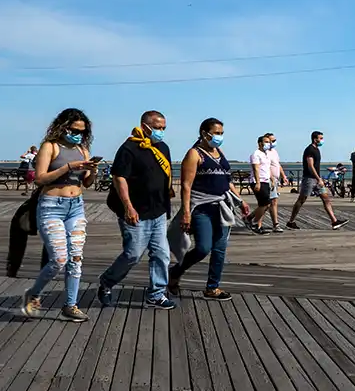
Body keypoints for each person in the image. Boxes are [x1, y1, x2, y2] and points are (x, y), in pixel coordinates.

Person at [21, 110, 98, 322]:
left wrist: (92, 170)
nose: (78, 135)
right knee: (59, 259)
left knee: (75, 258)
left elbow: (87, 183)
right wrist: (68, 167)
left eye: (83, 132)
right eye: (74, 130)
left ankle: (70, 305)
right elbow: (40, 178)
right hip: (52, 206)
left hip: (76, 206)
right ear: (63, 127)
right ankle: (33, 293)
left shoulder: (83, 149)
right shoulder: (50, 146)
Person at [96, 110, 177, 310]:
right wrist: (128, 207)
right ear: (145, 126)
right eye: (157, 128)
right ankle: (107, 282)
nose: (161, 132)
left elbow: (164, 172)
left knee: (161, 254)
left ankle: (156, 294)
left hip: (157, 210)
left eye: (164, 128)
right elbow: (119, 177)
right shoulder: (129, 148)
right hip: (135, 211)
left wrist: (168, 191)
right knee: (132, 254)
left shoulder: (162, 147)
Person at [167, 118, 249, 300]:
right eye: (217, 133)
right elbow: (186, 185)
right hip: (201, 208)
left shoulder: (219, 152)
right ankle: (175, 272)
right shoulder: (194, 154)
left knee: (220, 249)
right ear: (205, 133)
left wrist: (240, 201)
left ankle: (212, 287)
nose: (220, 136)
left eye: (221, 133)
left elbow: (228, 181)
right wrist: (186, 212)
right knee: (203, 248)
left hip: (221, 207)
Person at [287, 131, 348, 230]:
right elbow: (310, 166)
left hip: (317, 180)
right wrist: (318, 178)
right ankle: (291, 221)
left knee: (326, 199)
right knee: (301, 200)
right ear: (315, 139)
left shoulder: (317, 150)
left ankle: (334, 221)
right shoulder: (310, 150)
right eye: (321, 138)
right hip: (309, 179)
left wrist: (319, 179)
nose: (322, 140)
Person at [246, 134, 276, 234]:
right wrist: (257, 182)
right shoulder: (256, 154)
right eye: (266, 142)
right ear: (260, 143)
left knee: (265, 205)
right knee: (265, 204)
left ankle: (249, 218)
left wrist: (272, 179)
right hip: (258, 181)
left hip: (266, 181)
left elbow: (267, 168)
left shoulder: (266, 154)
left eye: (269, 142)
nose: (268, 144)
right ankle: (255, 224)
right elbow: (256, 169)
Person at [266, 133, 287, 233]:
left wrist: (283, 176)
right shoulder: (265, 152)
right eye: (271, 141)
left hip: (275, 179)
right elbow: (266, 166)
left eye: (274, 140)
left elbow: (277, 165)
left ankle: (253, 219)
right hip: (269, 180)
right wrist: (271, 178)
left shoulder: (274, 152)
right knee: (268, 203)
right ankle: (275, 223)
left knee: (271, 202)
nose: (273, 143)